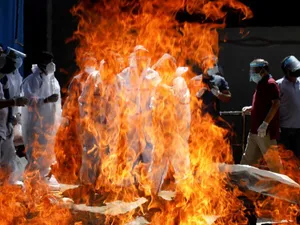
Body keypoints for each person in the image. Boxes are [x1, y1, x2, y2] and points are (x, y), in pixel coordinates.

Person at [149, 53, 191, 193]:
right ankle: (153, 194)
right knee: (157, 164)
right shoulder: (160, 85)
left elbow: (180, 103)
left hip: (176, 132)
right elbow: (153, 106)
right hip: (162, 132)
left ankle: (185, 196)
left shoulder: (178, 81)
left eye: (164, 67)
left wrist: (166, 92)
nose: (161, 70)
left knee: (181, 164)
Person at [117, 45, 161, 172]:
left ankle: (148, 179)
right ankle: (132, 178)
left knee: (149, 147)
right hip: (131, 119)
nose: (140, 58)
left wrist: (154, 110)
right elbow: (119, 95)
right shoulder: (124, 74)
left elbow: (159, 95)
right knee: (132, 148)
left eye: (143, 55)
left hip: (148, 118)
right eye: (138, 55)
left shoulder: (153, 75)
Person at [21, 51, 61, 178]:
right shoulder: (32, 80)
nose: (51, 64)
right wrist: (46, 100)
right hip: (36, 123)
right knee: (35, 152)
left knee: (46, 153)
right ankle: (32, 182)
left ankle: (43, 182)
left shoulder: (53, 80)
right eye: (48, 61)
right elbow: (28, 100)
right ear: (42, 63)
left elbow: (57, 103)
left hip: (49, 123)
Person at [241, 59, 282, 173]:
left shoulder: (270, 84)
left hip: (265, 133)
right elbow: (264, 104)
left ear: (262, 70)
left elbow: (276, 104)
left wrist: (265, 124)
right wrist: (252, 108)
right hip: (254, 131)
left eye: (254, 70)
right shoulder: (261, 84)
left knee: (274, 164)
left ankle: (281, 188)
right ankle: (242, 187)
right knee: (247, 161)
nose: (252, 73)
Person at [276, 55, 300, 158]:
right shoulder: (279, 85)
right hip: (285, 128)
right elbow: (271, 104)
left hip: (299, 128)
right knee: (286, 158)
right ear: (287, 72)